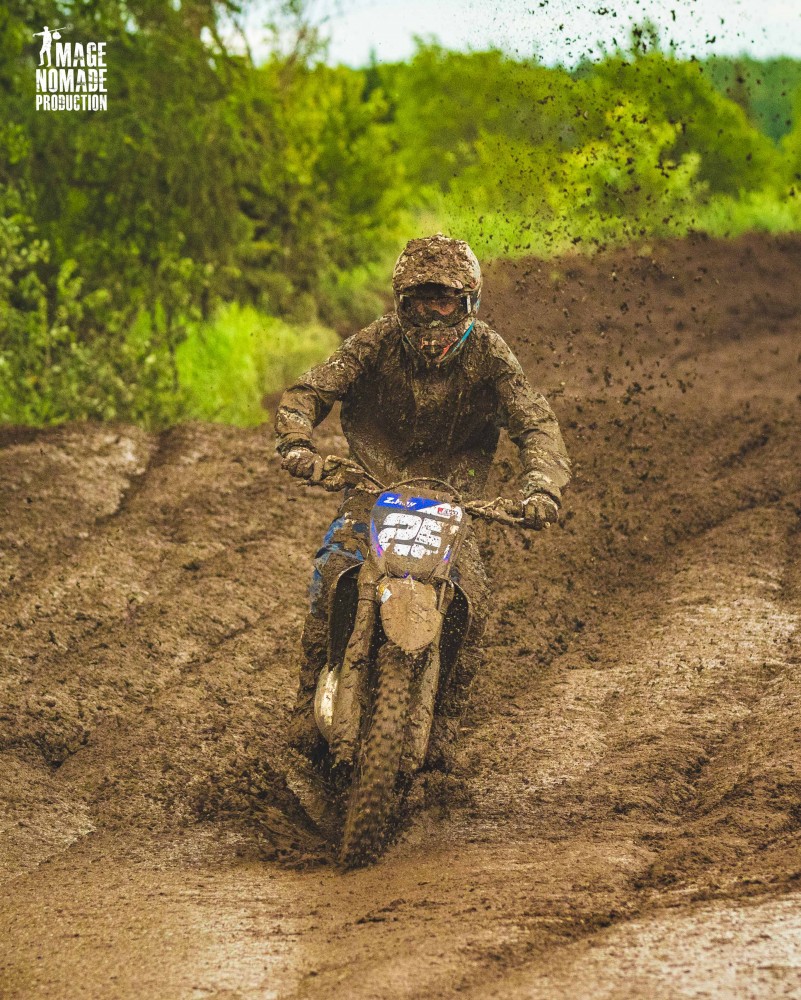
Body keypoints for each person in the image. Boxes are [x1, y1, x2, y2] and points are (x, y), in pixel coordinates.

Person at [275, 234, 571, 764]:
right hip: (373, 488)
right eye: (419, 304)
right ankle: (305, 703)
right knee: (332, 571)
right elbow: (310, 390)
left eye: (444, 304)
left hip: (453, 501)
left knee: (472, 597)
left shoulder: (489, 353)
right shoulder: (376, 341)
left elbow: (536, 422)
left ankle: (447, 720)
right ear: (400, 304)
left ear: (468, 303)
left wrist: (542, 486)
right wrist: (297, 441)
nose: (431, 319)